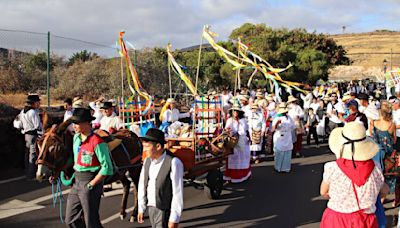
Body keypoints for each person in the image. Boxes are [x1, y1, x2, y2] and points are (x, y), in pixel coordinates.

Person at [320, 122, 385, 228]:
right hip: (366, 219)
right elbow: (383, 190)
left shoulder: (332, 168)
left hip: (337, 218)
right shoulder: (376, 167)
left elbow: (323, 191)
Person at [65, 108, 114, 228]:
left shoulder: (97, 142)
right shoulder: (76, 138)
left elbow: (107, 167)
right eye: (74, 123)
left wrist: (92, 184)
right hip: (77, 180)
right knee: (70, 220)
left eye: (77, 123)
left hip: (90, 181)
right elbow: (75, 160)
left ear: (87, 123)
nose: (74, 126)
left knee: (90, 221)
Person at [138, 128, 184, 228]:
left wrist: (174, 219)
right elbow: (142, 184)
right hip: (151, 208)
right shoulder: (147, 161)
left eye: (147, 147)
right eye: (143, 147)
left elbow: (178, 193)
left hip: (164, 209)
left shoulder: (173, 163)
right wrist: (141, 207)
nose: (144, 150)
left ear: (158, 146)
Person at [224, 101, 252, 183]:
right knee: (233, 157)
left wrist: (249, 138)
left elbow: (246, 130)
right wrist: (228, 131)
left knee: (242, 157)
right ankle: (232, 176)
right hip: (233, 141)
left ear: (239, 112)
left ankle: (243, 175)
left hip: (242, 140)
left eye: (237, 111)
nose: (235, 113)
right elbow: (226, 130)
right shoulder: (229, 120)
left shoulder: (243, 120)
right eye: (234, 111)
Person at [18, 94, 43, 180]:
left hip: (26, 135)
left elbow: (19, 124)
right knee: (33, 155)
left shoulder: (23, 111)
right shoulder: (33, 112)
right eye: (38, 102)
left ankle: (27, 171)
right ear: (34, 103)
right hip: (33, 135)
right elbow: (37, 126)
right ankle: (31, 174)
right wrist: (41, 135)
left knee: (27, 153)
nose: (39, 104)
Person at [272, 103, 295, 173]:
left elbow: (292, 126)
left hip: (287, 135)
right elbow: (273, 129)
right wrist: (277, 124)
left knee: (287, 152)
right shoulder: (277, 117)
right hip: (280, 135)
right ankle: (278, 167)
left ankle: (286, 167)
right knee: (279, 152)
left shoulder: (289, 117)